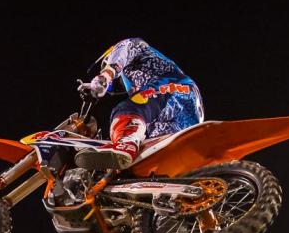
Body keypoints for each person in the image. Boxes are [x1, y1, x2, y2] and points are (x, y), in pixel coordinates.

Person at [74, 38, 205, 171]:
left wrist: (106, 76)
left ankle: (126, 143)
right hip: (186, 118)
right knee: (149, 152)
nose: (118, 86)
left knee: (126, 110)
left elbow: (126, 49)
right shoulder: (141, 84)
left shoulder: (129, 47)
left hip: (175, 90)